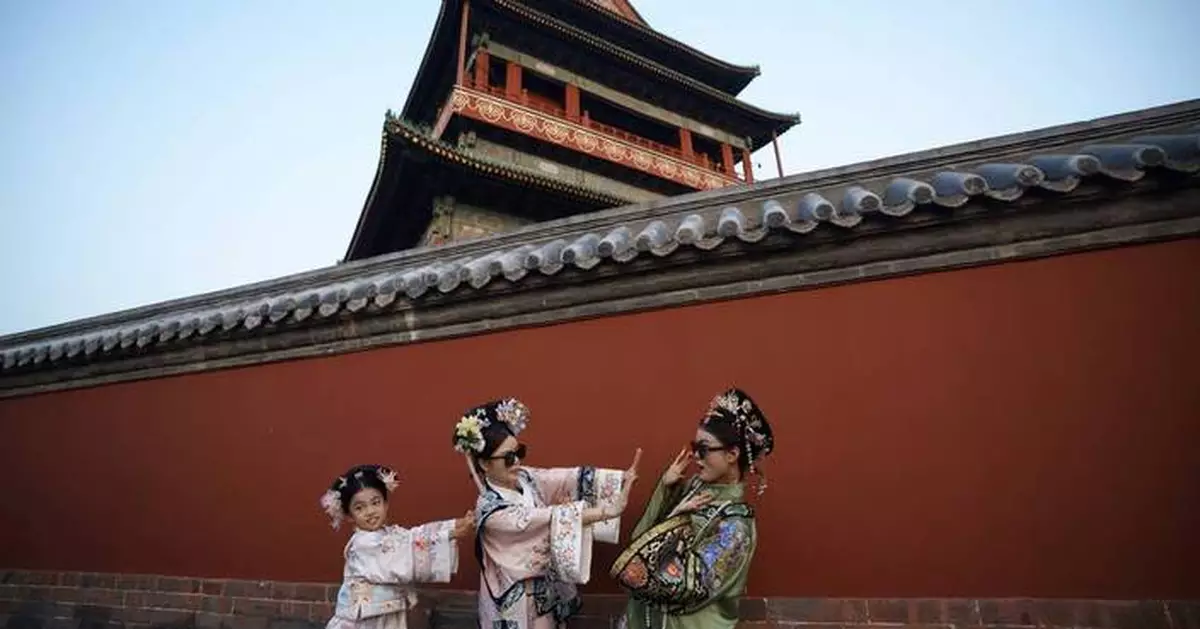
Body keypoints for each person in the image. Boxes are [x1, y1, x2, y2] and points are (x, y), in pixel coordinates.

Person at [452, 397, 641, 629]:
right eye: (508, 457)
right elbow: (541, 519)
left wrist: (618, 479)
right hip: (513, 604)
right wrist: (606, 511)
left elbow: (563, 478)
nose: (517, 462)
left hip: (545, 597)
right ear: (484, 464)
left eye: (519, 452)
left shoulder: (525, 478)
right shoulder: (490, 511)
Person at [610, 388, 775, 629]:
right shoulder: (692, 490)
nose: (696, 456)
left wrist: (676, 517)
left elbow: (684, 586)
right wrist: (666, 490)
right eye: (694, 446)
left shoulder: (735, 527)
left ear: (732, 454)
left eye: (704, 449)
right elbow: (638, 541)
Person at [320, 464, 474, 629]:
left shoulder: (389, 533)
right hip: (364, 619)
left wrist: (454, 525)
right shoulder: (363, 543)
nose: (370, 511)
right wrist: (451, 535)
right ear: (350, 516)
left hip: (385, 614)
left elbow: (415, 536)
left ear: (386, 503)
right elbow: (402, 553)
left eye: (375, 502)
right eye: (359, 508)